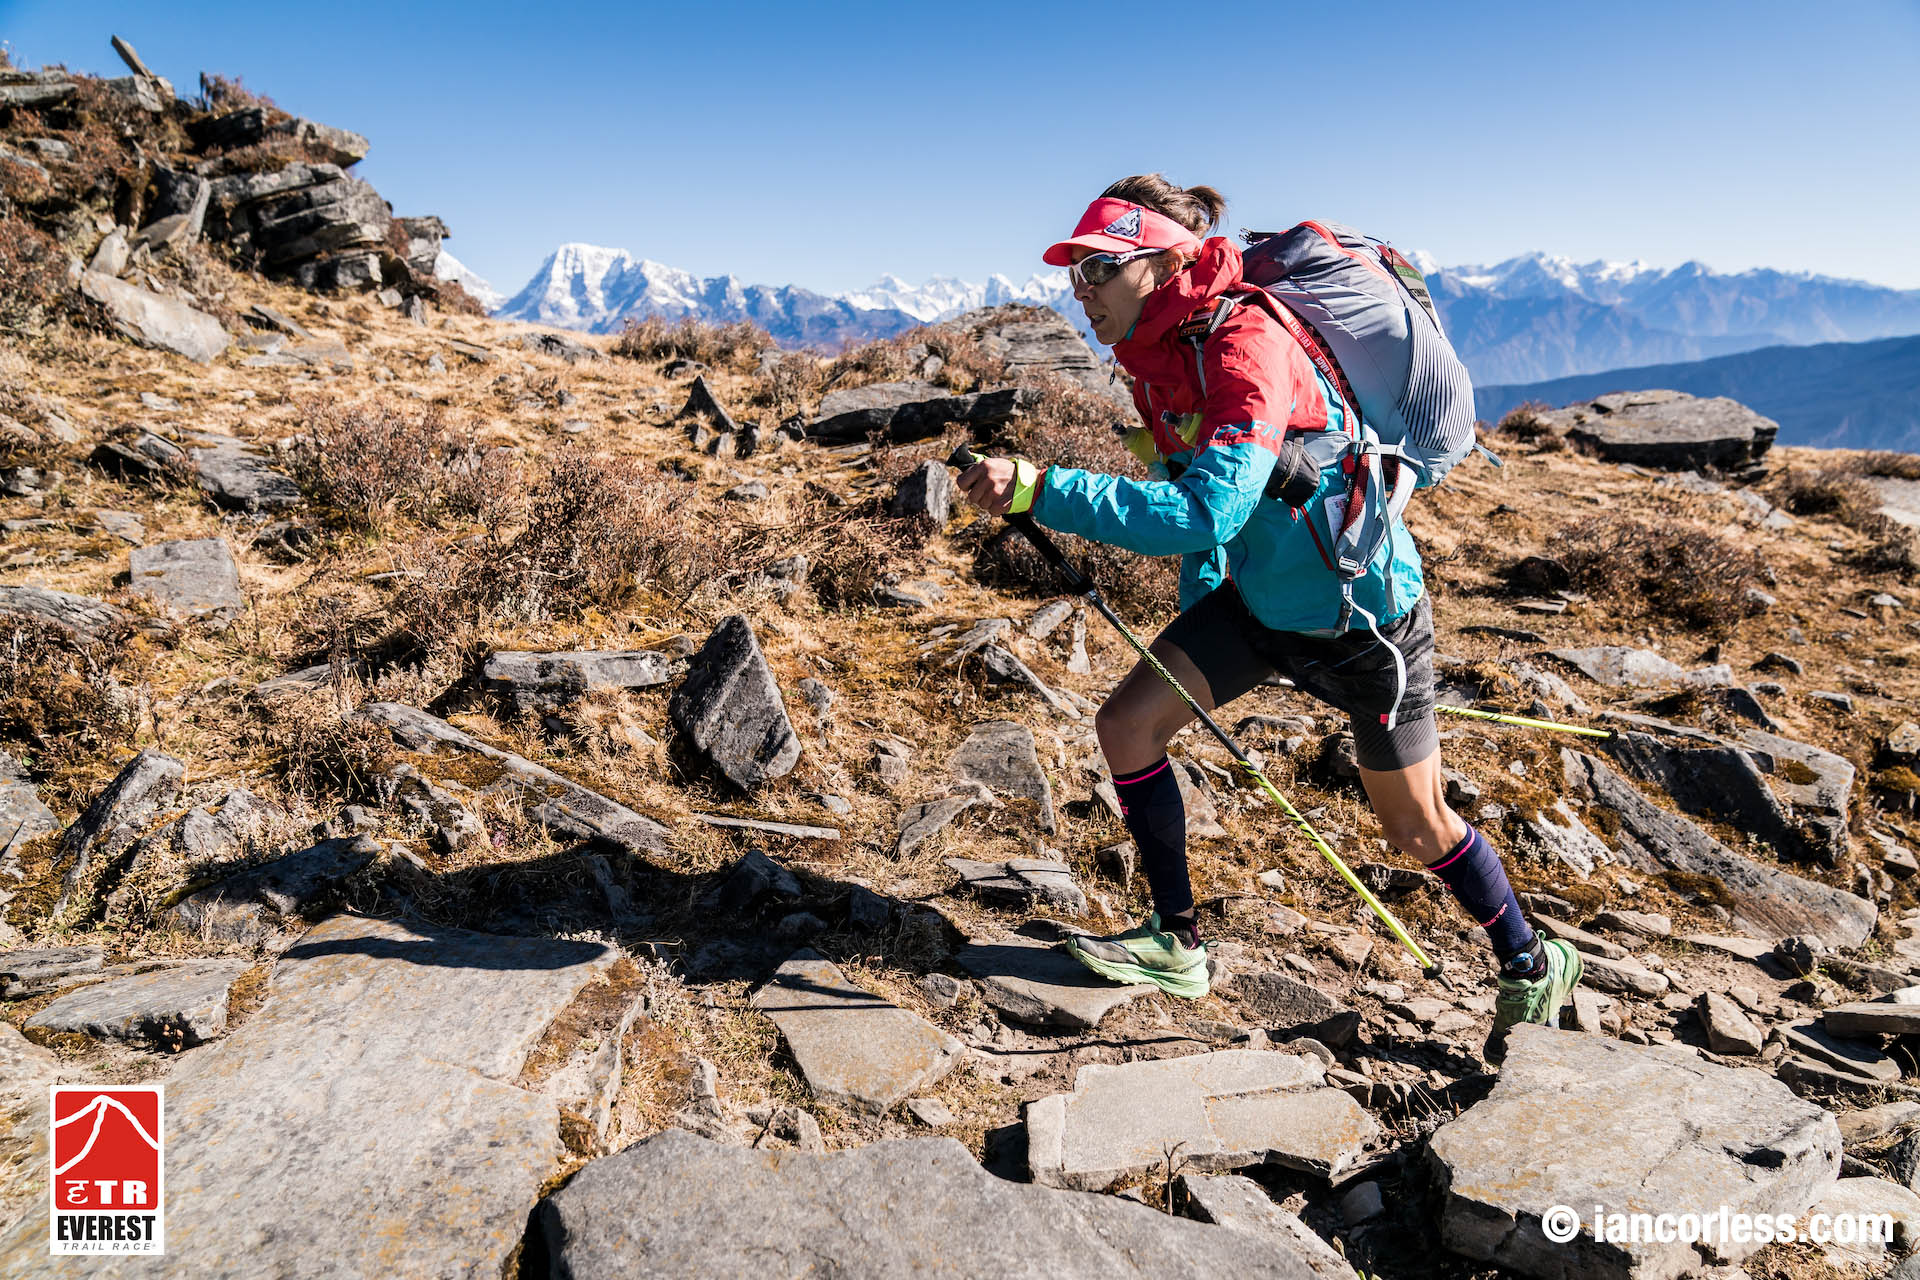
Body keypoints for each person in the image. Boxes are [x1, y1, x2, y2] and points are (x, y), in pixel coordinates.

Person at [956, 174, 1581, 1062]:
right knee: (1129, 726)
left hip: (1362, 621)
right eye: (1074, 275)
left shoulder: (1246, 340)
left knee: (1414, 828)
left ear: (1167, 260)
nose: (1081, 292)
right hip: (1257, 605)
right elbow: (1197, 498)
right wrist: (1196, 618)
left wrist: (1040, 489)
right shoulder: (1161, 357)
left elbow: (1201, 513)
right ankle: (1177, 944)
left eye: (1099, 269)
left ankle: (1531, 959)